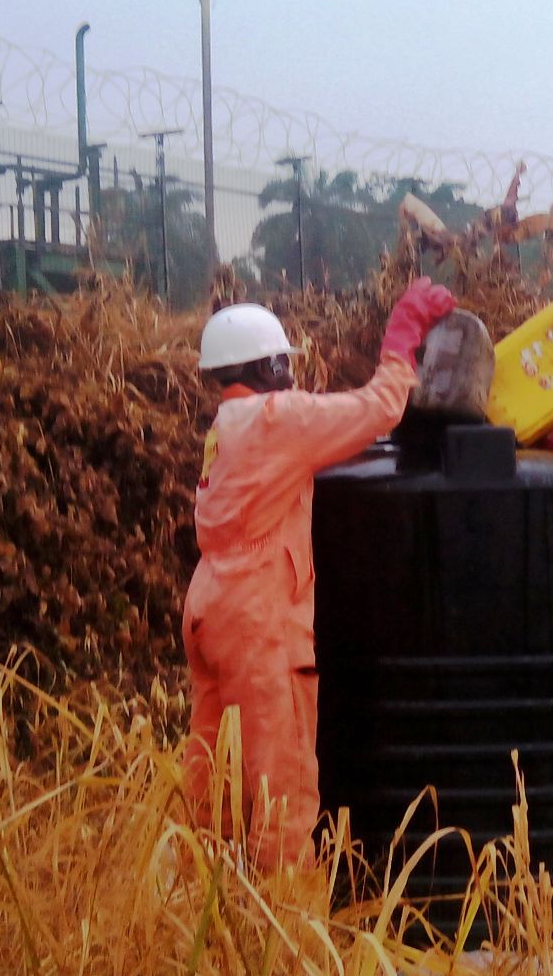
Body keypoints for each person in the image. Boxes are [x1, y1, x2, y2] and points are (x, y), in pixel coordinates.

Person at [182, 278, 457, 868]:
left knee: (214, 769)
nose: (291, 373)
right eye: (285, 362)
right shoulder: (278, 418)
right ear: (270, 364)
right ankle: (288, 932)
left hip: (210, 601)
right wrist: (401, 335)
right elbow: (381, 407)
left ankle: (202, 905)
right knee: (281, 779)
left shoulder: (227, 426)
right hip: (259, 612)